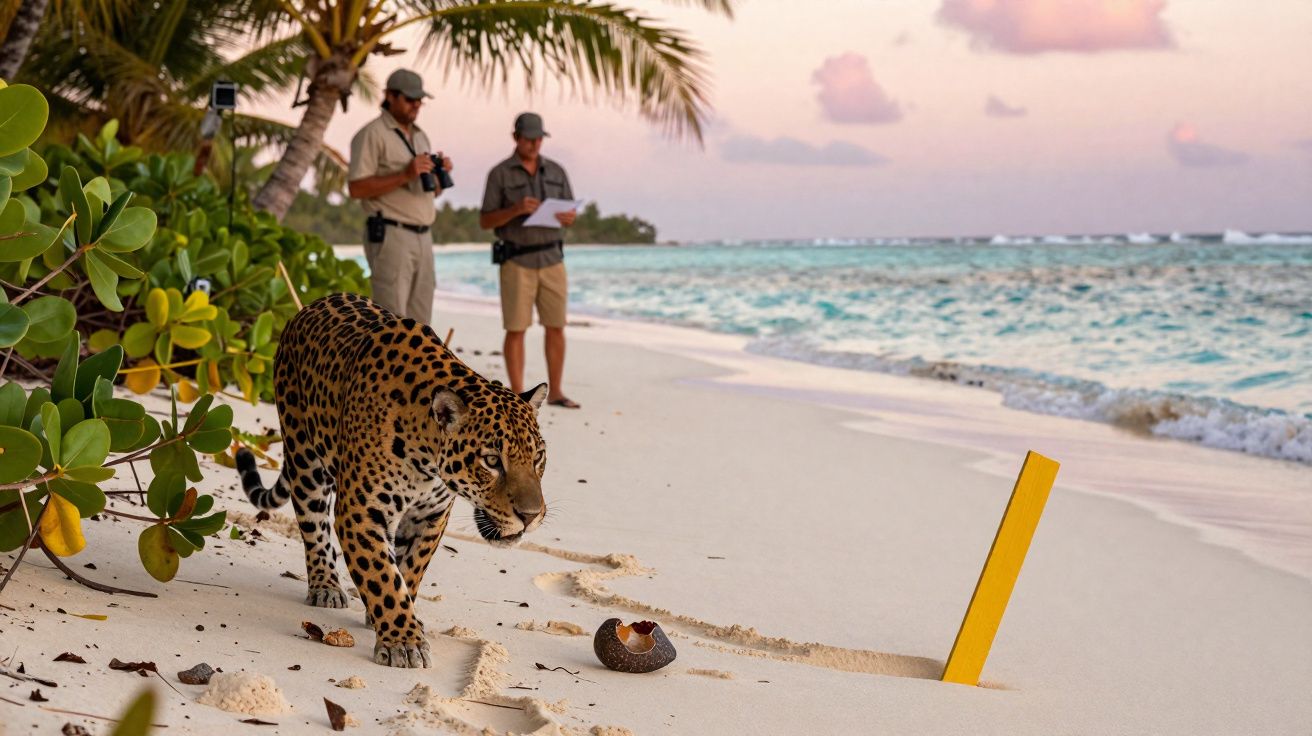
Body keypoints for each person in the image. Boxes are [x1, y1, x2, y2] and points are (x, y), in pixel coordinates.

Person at [479, 112, 580, 409]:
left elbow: (570, 214)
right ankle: (518, 396)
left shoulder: (558, 171)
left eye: (539, 139)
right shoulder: (499, 174)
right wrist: (515, 210)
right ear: (516, 138)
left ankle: (557, 391)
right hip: (516, 260)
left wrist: (569, 217)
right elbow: (485, 220)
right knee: (516, 328)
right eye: (529, 139)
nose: (535, 144)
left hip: (552, 257)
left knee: (556, 326)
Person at [347, 68, 453, 323]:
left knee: (422, 328)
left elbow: (427, 192)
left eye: (419, 100)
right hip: (391, 235)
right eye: (409, 99)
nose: (416, 106)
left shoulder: (420, 136)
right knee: (392, 324)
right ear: (390, 96)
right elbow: (356, 188)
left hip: (424, 236)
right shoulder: (372, 134)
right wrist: (405, 174)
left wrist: (439, 176)